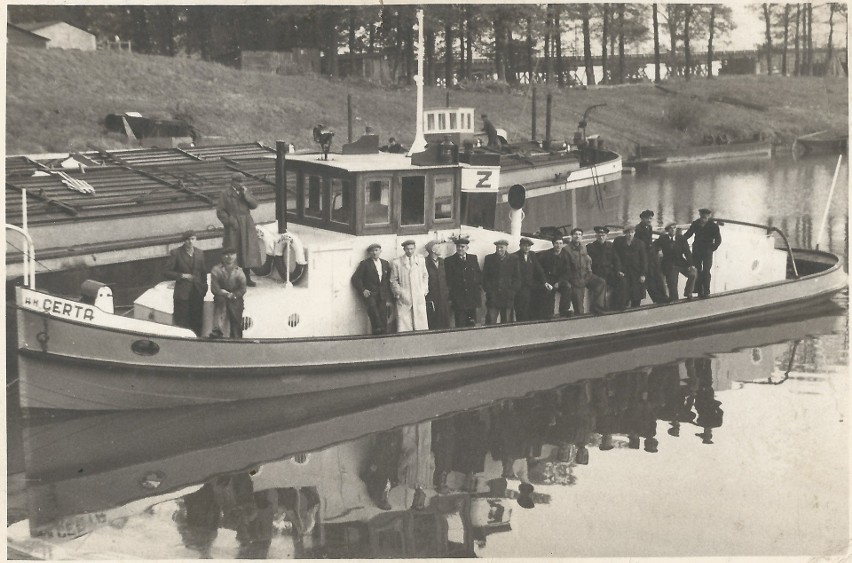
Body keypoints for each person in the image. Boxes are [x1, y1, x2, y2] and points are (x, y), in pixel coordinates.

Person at [217, 172, 262, 287]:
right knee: (233, 251)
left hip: (246, 223)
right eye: (238, 181)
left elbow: (254, 205)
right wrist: (230, 221)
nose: (241, 184)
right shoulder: (225, 194)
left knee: (247, 251)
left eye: (242, 181)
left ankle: (247, 278)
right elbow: (220, 211)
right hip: (233, 226)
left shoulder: (246, 191)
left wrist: (246, 194)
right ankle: (233, 280)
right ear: (232, 181)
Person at [164, 230, 207, 336]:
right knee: (182, 320)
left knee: (197, 319)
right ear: (184, 241)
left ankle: (197, 341)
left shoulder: (200, 253)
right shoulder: (176, 253)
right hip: (182, 293)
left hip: (197, 292)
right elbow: (166, 272)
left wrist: (203, 288)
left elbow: (203, 273)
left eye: (192, 239)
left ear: (196, 240)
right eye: (188, 239)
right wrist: (182, 275)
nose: (190, 242)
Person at [351, 243, 393, 335]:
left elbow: (389, 279)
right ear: (369, 253)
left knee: (383, 316)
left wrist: (388, 293)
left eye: (376, 250)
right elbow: (355, 279)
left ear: (380, 251)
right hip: (371, 295)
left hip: (382, 295)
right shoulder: (365, 264)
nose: (374, 253)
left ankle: (384, 337)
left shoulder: (385, 263)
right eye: (372, 251)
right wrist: (363, 290)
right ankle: (377, 336)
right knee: (374, 314)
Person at [563, 228, 606, 315]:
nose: (577, 236)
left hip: (586, 276)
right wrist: (575, 280)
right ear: (572, 236)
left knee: (601, 282)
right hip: (574, 278)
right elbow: (566, 268)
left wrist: (589, 272)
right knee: (578, 302)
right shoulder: (566, 250)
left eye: (579, 234)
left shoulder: (583, 247)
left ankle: (597, 307)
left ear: (581, 237)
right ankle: (580, 317)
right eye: (575, 234)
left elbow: (587, 261)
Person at [390, 240, 430, 332]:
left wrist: (423, 290)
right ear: (404, 249)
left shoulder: (420, 260)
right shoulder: (397, 262)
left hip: (418, 294)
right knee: (405, 324)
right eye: (407, 249)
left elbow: (425, 275)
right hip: (405, 296)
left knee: (420, 323)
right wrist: (399, 292)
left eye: (411, 249)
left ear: (414, 248)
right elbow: (393, 280)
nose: (409, 251)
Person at [444, 237, 482, 327]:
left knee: (471, 324)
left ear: (467, 248)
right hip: (459, 299)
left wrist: (477, 289)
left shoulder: (473, 258)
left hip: (472, 298)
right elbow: (449, 280)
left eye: (462, 246)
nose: (460, 249)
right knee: (460, 324)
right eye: (458, 247)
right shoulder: (449, 261)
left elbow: (478, 274)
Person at [684, 208, 722, 297]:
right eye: (702, 216)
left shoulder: (713, 226)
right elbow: (689, 233)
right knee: (697, 270)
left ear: (709, 216)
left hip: (707, 251)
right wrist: (681, 239)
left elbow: (718, 239)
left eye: (706, 216)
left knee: (706, 271)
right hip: (697, 250)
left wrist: (713, 247)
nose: (703, 217)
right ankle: (699, 290)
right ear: (700, 215)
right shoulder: (696, 223)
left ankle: (706, 291)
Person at [210, 247, 247, 338]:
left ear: (235, 256)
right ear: (222, 256)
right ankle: (217, 331)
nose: (229, 257)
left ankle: (236, 335)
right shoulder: (216, 270)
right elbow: (215, 288)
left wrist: (234, 295)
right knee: (220, 301)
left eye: (232, 254)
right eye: (226, 254)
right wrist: (226, 294)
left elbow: (243, 288)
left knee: (236, 308)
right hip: (221, 295)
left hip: (235, 297)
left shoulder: (239, 271)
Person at [482, 239, 521, 324]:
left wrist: (512, 291)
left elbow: (517, 277)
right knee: (491, 321)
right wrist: (489, 290)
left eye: (501, 247)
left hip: (507, 296)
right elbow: (485, 277)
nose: (499, 249)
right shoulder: (489, 259)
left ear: (506, 248)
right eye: (497, 247)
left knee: (507, 322)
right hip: (493, 296)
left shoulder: (514, 259)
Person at [655, 223, 697, 301]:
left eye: (674, 228)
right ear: (667, 231)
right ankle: (674, 300)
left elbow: (687, 252)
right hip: (669, 265)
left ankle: (688, 292)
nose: (673, 230)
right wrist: (658, 252)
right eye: (671, 228)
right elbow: (654, 247)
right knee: (673, 284)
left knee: (693, 274)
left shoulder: (681, 238)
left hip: (680, 263)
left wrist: (691, 265)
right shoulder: (663, 239)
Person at [586, 226, 624, 310]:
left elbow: (616, 259)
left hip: (608, 271)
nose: (601, 237)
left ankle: (617, 304)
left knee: (621, 281)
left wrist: (618, 270)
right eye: (599, 235)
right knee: (600, 283)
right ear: (596, 236)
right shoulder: (590, 247)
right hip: (597, 272)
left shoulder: (610, 246)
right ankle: (598, 307)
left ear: (606, 236)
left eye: (603, 235)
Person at [635, 209, 667, 303]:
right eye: (647, 218)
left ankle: (663, 296)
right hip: (645, 256)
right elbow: (639, 245)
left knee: (658, 275)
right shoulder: (638, 229)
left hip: (651, 255)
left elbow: (649, 242)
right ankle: (657, 299)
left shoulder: (649, 227)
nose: (649, 220)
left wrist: (657, 249)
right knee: (650, 278)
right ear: (642, 218)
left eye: (650, 219)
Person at [612, 225, 647, 308]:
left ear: (634, 233)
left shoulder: (640, 243)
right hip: (624, 272)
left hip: (636, 272)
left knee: (636, 294)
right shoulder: (619, 242)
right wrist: (618, 270)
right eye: (628, 233)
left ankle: (635, 309)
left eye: (632, 232)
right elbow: (615, 257)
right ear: (625, 233)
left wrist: (643, 274)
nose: (630, 234)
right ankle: (624, 309)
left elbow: (644, 260)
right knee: (624, 293)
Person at [538, 234, 572, 318]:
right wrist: (545, 281)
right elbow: (540, 269)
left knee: (567, 287)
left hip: (560, 279)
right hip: (548, 278)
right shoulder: (546, 254)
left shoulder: (566, 255)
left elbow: (567, 271)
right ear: (553, 244)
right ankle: (549, 313)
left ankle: (564, 310)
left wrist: (559, 282)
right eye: (556, 243)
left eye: (560, 243)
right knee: (548, 290)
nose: (559, 245)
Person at [513, 238, 546, 321]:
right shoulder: (514, 256)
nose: (527, 248)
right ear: (520, 246)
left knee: (540, 297)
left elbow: (539, 269)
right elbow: (515, 273)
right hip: (521, 285)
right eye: (524, 246)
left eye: (528, 246)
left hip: (531, 284)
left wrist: (545, 282)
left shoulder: (532, 254)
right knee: (522, 306)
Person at [424, 240, 451, 329]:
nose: (441, 249)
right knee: (433, 320)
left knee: (445, 320)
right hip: (432, 296)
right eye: (439, 247)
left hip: (443, 296)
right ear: (433, 250)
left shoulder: (444, 262)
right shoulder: (425, 263)